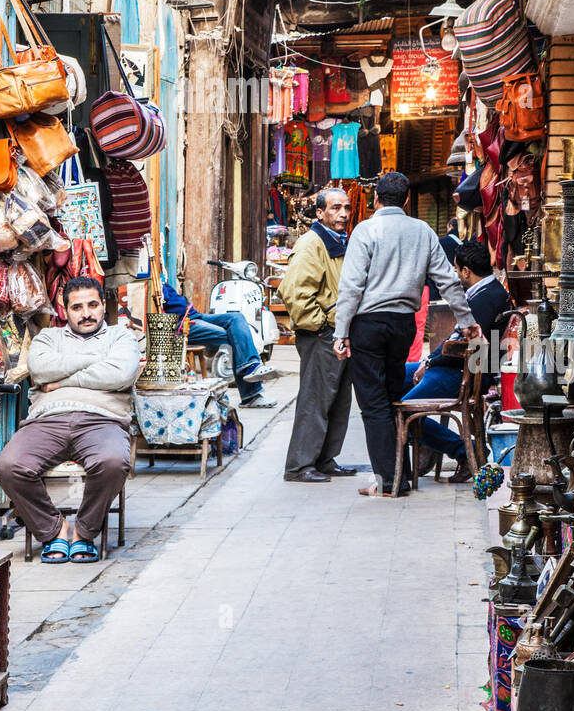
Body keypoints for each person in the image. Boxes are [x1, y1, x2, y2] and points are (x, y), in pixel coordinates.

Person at [333, 171, 479, 497]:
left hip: (368, 325)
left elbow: (351, 287)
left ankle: (389, 482)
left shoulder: (365, 230)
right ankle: (399, 473)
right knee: (390, 398)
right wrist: (466, 319)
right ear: (408, 200)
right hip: (402, 325)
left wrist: (341, 332)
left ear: (375, 199)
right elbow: (448, 280)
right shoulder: (422, 231)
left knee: (374, 405)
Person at [0, 276, 141, 563]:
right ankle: (53, 530)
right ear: (65, 312)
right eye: (77, 307)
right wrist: (97, 359)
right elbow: (39, 369)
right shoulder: (48, 338)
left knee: (112, 463)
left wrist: (61, 381)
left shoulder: (121, 337)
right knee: (9, 466)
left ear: (103, 306)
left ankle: (85, 532)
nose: (86, 313)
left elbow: (121, 374)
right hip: (47, 420)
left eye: (92, 305)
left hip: (103, 419)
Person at [401, 238, 512, 483]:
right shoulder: (482, 291)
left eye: (455, 269)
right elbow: (455, 338)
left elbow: (461, 345)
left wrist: (430, 362)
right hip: (452, 365)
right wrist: (429, 360)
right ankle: (429, 439)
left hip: (462, 372)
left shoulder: (487, 297)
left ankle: (461, 450)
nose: (454, 274)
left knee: (401, 413)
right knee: (392, 379)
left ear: (465, 271)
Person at [278, 187, 356, 483]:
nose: (343, 214)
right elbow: (295, 292)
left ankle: (324, 459)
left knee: (338, 400)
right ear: (320, 212)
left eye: (347, 208)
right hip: (321, 334)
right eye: (336, 208)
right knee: (316, 399)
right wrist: (322, 326)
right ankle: (299, 466)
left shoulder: (339, 242)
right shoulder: (312, 243)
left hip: (339, 332)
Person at [160, 279, 276, 409]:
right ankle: (251, 394)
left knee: (236, 317)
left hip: (195, 315)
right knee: (234, 336)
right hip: (182, 324)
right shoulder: (150, 280)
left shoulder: (159, 276)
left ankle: (250, 366)